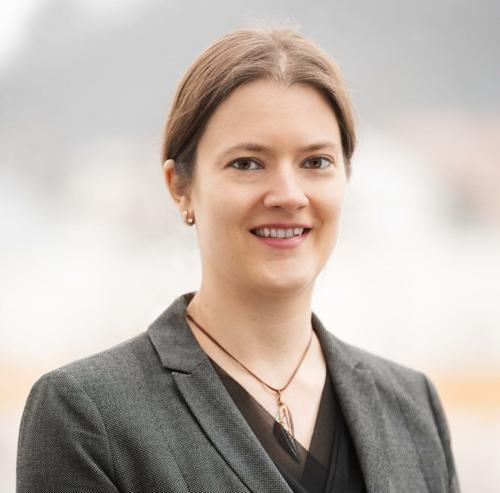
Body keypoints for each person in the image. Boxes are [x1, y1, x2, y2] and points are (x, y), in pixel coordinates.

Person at [17, 26, 460, 492]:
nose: (289, 195)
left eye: (315, 162)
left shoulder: (412, 407)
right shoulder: (88, 417)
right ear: (180, 187)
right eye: (247, 163)